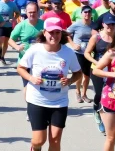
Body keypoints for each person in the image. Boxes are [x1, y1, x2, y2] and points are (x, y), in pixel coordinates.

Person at [17, 17, 82, 151]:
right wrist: (31, 78)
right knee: (38, 141)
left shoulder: (68, 52)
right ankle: (34, 147)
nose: (54, 36)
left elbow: (78, 73)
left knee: (55, 140)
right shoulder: (35, 50)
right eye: (51, 32)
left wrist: (69, 80)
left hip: (59, 102)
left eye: (57, 32)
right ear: (44, 33)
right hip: (37, 101)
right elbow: (20, 68)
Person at [8, 2, 44, 121]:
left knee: (40, 84)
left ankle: (41, 107)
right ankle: (30, 108)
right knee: (28, 86)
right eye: (30, 12)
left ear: (38, 12)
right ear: (26, 13)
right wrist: (17, 47)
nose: (32, 14)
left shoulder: (43, 25)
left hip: (41, 61)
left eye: (34, 12)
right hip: (25, 61)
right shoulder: (21, 25)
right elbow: (11, 40)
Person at [93, 24, 115, 151]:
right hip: (112, 98)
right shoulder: (112, 53)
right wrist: (113, 74)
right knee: (111, 137)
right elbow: (96, 70)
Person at [84, 14, 115, 134]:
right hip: (97, 70)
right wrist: (97, 62)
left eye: (113, 24)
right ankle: (97, 111)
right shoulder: (96, 37)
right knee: (99, 93)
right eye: (108, 24)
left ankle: (110, 117)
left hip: (112, 71)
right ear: (103, 25)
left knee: (112, 94)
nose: (110, 27)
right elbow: (87, 53)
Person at [67, 5, 94, 103]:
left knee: (87, 75)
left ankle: (84, 94)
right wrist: (73, 44)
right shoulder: (77, 24)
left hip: (89, 53)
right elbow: (67, 34)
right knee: (79, 74)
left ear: (91, 14)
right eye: (85, 12)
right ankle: (77, 92)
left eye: (89, 12)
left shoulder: (94, 25)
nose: (87, 14)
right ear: (82, 14)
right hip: (78, 52)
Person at [0, 0, 20, 64]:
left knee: (6, 42)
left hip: (8, 25)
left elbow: (17, 13)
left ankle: (2, 56)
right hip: (0, 25)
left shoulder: (12, 4)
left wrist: (14, 18)